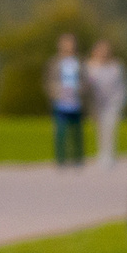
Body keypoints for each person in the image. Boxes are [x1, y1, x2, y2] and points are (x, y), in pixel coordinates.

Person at [86, 40, 127, 165]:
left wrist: (120, 101)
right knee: (99, 129)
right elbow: (87, 85)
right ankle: (101, 153)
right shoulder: (90, 66)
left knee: (110, 128)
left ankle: (109, 155)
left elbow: (123, 86)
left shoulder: (116, 66)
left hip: (113, 103)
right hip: (97, 104)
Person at [47, 34, 85, 165]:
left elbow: (84, 80)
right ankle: (61, 159)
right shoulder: (55, 62)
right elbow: (49, 81)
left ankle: (77, 158)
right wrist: (56, 92)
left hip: (76, 101)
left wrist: (80, 89)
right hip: (61, 101)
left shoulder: (78, 62)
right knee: (60, 131)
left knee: (76, 132)